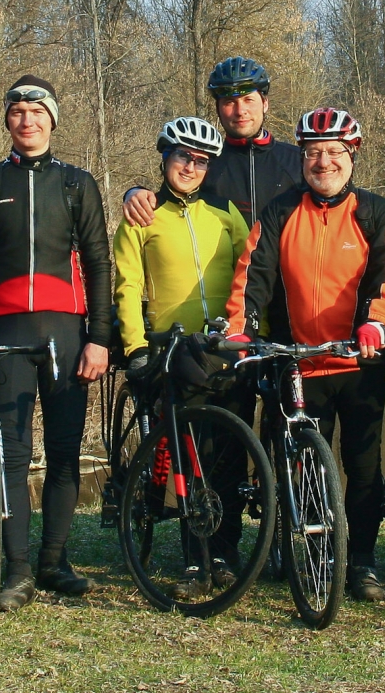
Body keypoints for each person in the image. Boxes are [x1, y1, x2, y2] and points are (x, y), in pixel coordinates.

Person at [227, 106, 385, 602]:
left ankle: (363, 561)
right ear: (302, 159)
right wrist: (241, 330)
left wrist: (377, 322)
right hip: (298, 362)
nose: (323, 162)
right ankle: (312, 552)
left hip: (358, 361)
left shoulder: (376, 214)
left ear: (352, 156)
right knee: (304, 465)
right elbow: (252, 274)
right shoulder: (280, 211)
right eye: (313, 153)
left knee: (363, 466)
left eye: (333, 152)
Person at [0, 74, 113, 613]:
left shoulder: (76, 183)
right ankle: (18, 569)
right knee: (13, 455)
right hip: (7, 333)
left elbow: (98, 262)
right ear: (8, 120)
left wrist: (99, 338)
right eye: (18, 112)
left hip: (67, 333)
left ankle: (54, 561)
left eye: (37, 111)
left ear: (52, 120)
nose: (28, 121)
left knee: (64, 451)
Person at [112, 116, 249, 599]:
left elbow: (250, 273)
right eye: (182, 157)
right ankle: (195, 559)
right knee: (190, 458)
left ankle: (226, 553)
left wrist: (256, 333)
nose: (191, 167)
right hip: (172, 349)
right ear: (165, 157)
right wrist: (135, 348)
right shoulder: (142, 215)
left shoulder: (225, 212)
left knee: (229, 458)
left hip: (225, 348)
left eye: (201, 161)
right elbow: (127, 284)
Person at [122, 57, 301, 234]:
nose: (240, 111)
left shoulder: (298, 161)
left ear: (265, 104)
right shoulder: (204, 162)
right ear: (218, 109)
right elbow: (171, 198)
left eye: (248, 100)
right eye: (229, 102)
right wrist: (134, 193)